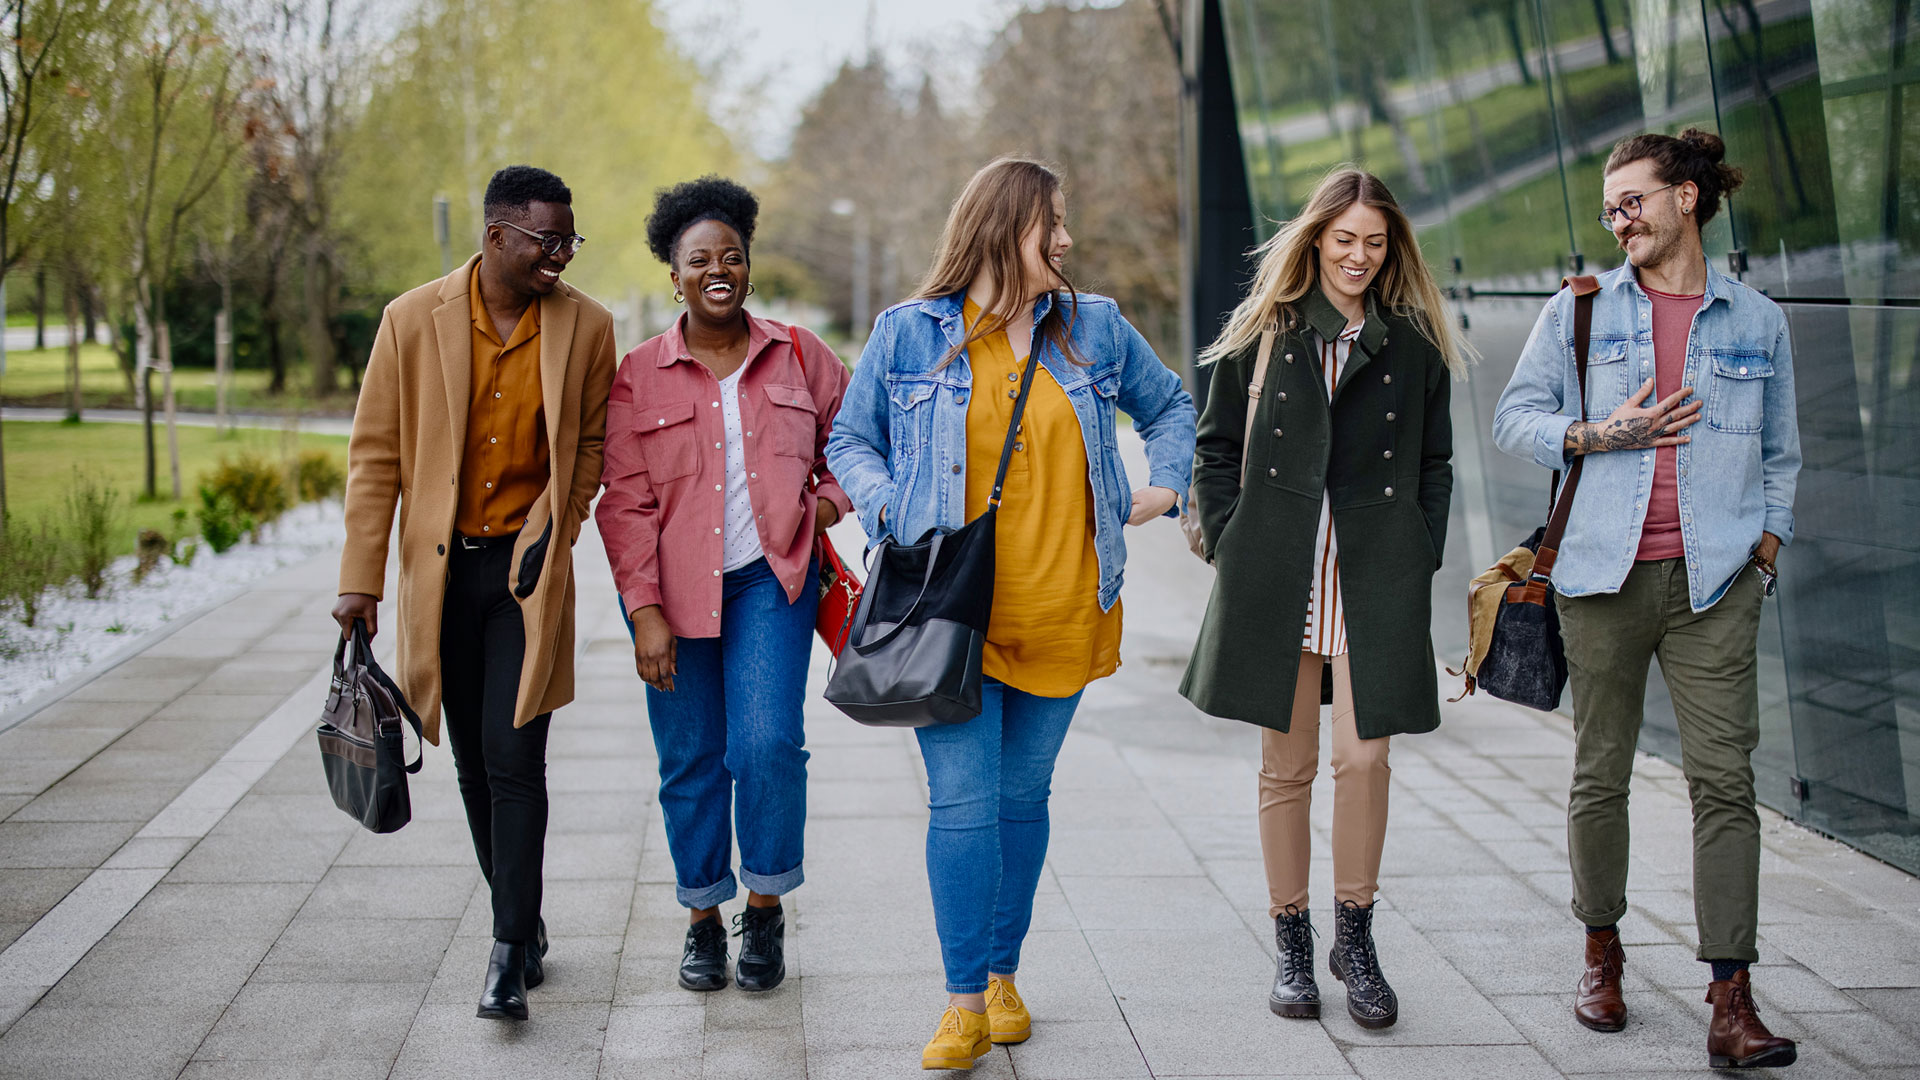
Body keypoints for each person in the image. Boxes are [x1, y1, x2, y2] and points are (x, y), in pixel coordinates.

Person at [826, 156, 1196, 1071]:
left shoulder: (1095, 329)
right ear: (1001, 230)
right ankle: (961, 1002)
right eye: (1051, 223)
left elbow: (1173, 406)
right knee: (963, 803)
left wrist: (1163, 490)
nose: (1066, 239)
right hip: (950, 615)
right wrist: (889, 513)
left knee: (1022, 799)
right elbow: (850, 439)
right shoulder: (909, 334)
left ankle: (1001, 972)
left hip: (1069, 605)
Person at [1493, 129, 1800, 1070]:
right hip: (1600, 579)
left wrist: (1768, 543)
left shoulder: (1756, 321)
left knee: (1727, 784)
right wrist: (1599, 432)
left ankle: (1730, 997)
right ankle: (1601, 950)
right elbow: (1516, 420)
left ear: (1687, 200)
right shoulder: (1579, 312)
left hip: (1715, 585)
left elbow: (1782, 453)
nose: (1618, 219)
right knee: (1601, 774)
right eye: (1609, 207)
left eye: (1633, 201)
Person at [1181, 168, 1466, 1030]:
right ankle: (1293, 942)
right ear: (1315, 240)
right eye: (1344, 240)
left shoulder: (1412, 342)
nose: (1359, 256)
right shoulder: (1265, 332)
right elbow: (1215, 446)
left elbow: (1435, 463)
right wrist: (1232, 537)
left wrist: (1420, 549)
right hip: (1282, 576)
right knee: (1287, 768)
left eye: (1375, 243)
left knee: (1367, 760)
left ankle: (1357, 936)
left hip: (1373, 575)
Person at [333, 165, 615, 1021]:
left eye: (569, 241)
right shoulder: (410, 320)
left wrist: (555, 534)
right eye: (546, 240)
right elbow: (376, 456)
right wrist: (360, 581)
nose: (560, 256)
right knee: (468, 761)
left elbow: (592, 447)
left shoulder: (587, 327)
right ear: (497, 237)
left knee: (514, 754)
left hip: (525, 580)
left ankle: (503, 956)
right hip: (442, 576)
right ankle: (521, 921)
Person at [596, 176, 849, 995]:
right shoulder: (638, 375)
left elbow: (856, 444)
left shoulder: (800, 354)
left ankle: (765, 905)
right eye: (697, 258)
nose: (717, 269)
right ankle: (704, 917)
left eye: (730, 257)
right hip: (673, 596)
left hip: (772, 583)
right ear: (673, 275)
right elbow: (625, 502)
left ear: (747, 266)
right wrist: (643, 611)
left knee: (767, 743)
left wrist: (828, 504)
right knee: (691, 758)